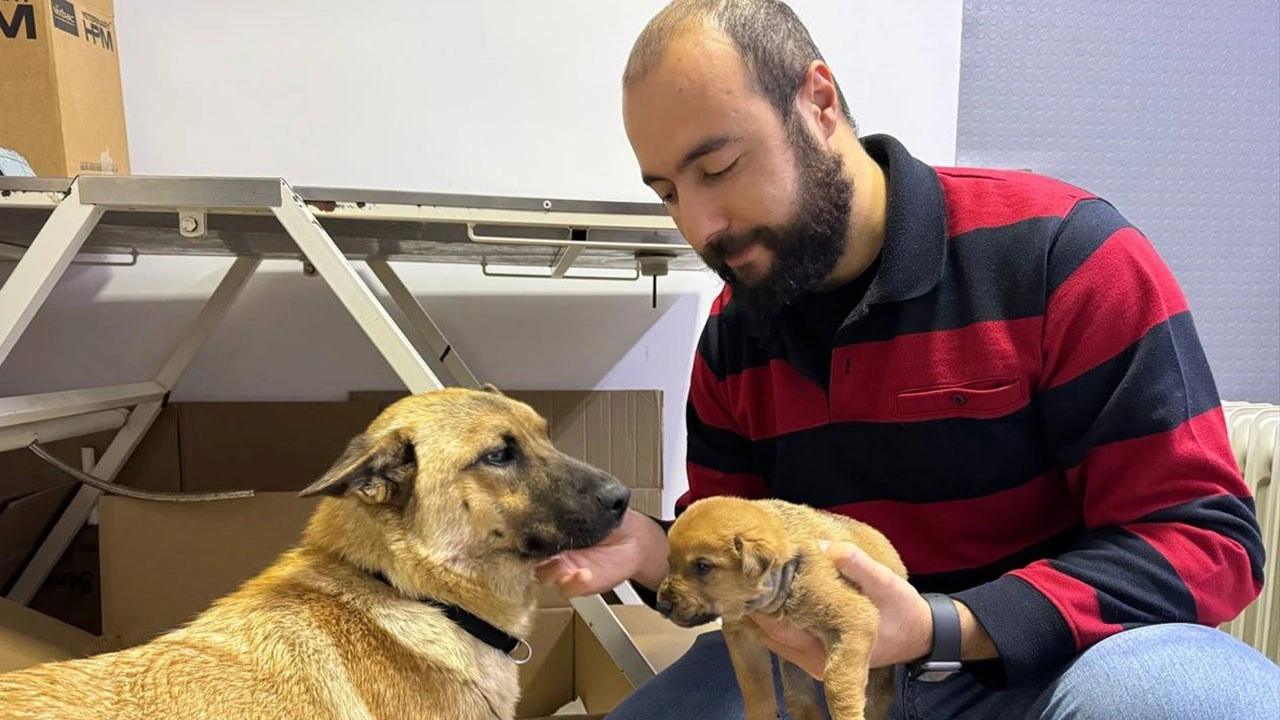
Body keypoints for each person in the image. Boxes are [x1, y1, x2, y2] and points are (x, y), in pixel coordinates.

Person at [536, 1, 1280, 717]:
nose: (700, 226)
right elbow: (738, 554)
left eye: (720, 167)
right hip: (814, 664)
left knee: (1206, 701)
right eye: (668, 193)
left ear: (818, 104)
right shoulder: (737, 333)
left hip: (1054, 670)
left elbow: (1206, 539)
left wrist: (940, 627)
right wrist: (652, 549)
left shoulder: (1063, 256)